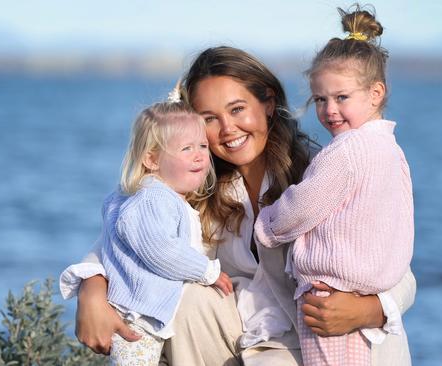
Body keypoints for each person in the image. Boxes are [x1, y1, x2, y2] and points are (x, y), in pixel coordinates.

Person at [60, 45, 416, 366]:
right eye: (209, 118)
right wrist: (93, 287)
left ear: (268, 104)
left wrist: (368, 311)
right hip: (233, 337)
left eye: (237, 109)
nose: (228, 129)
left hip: (314, 342)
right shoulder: (192, 179)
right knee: (191, 299)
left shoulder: (321, 171)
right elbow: (130, 229)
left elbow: (396, 266)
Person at [253, 4, 414, 365]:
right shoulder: (390, 150)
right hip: (368, 291)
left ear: (376, 93)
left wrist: (266, 224)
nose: (329, 111)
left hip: (330, 292)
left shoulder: (345, 152)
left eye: (342, 97)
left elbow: (304, 206)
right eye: (320, 100)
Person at [68, 99, 234, 365]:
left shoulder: (159, 196)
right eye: (186, 148)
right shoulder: (152, 198)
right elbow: (161, 250)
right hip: (137, 319)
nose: (200, 155)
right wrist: (208, 271)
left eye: (202, 145)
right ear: (151, 159)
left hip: (146, 315)